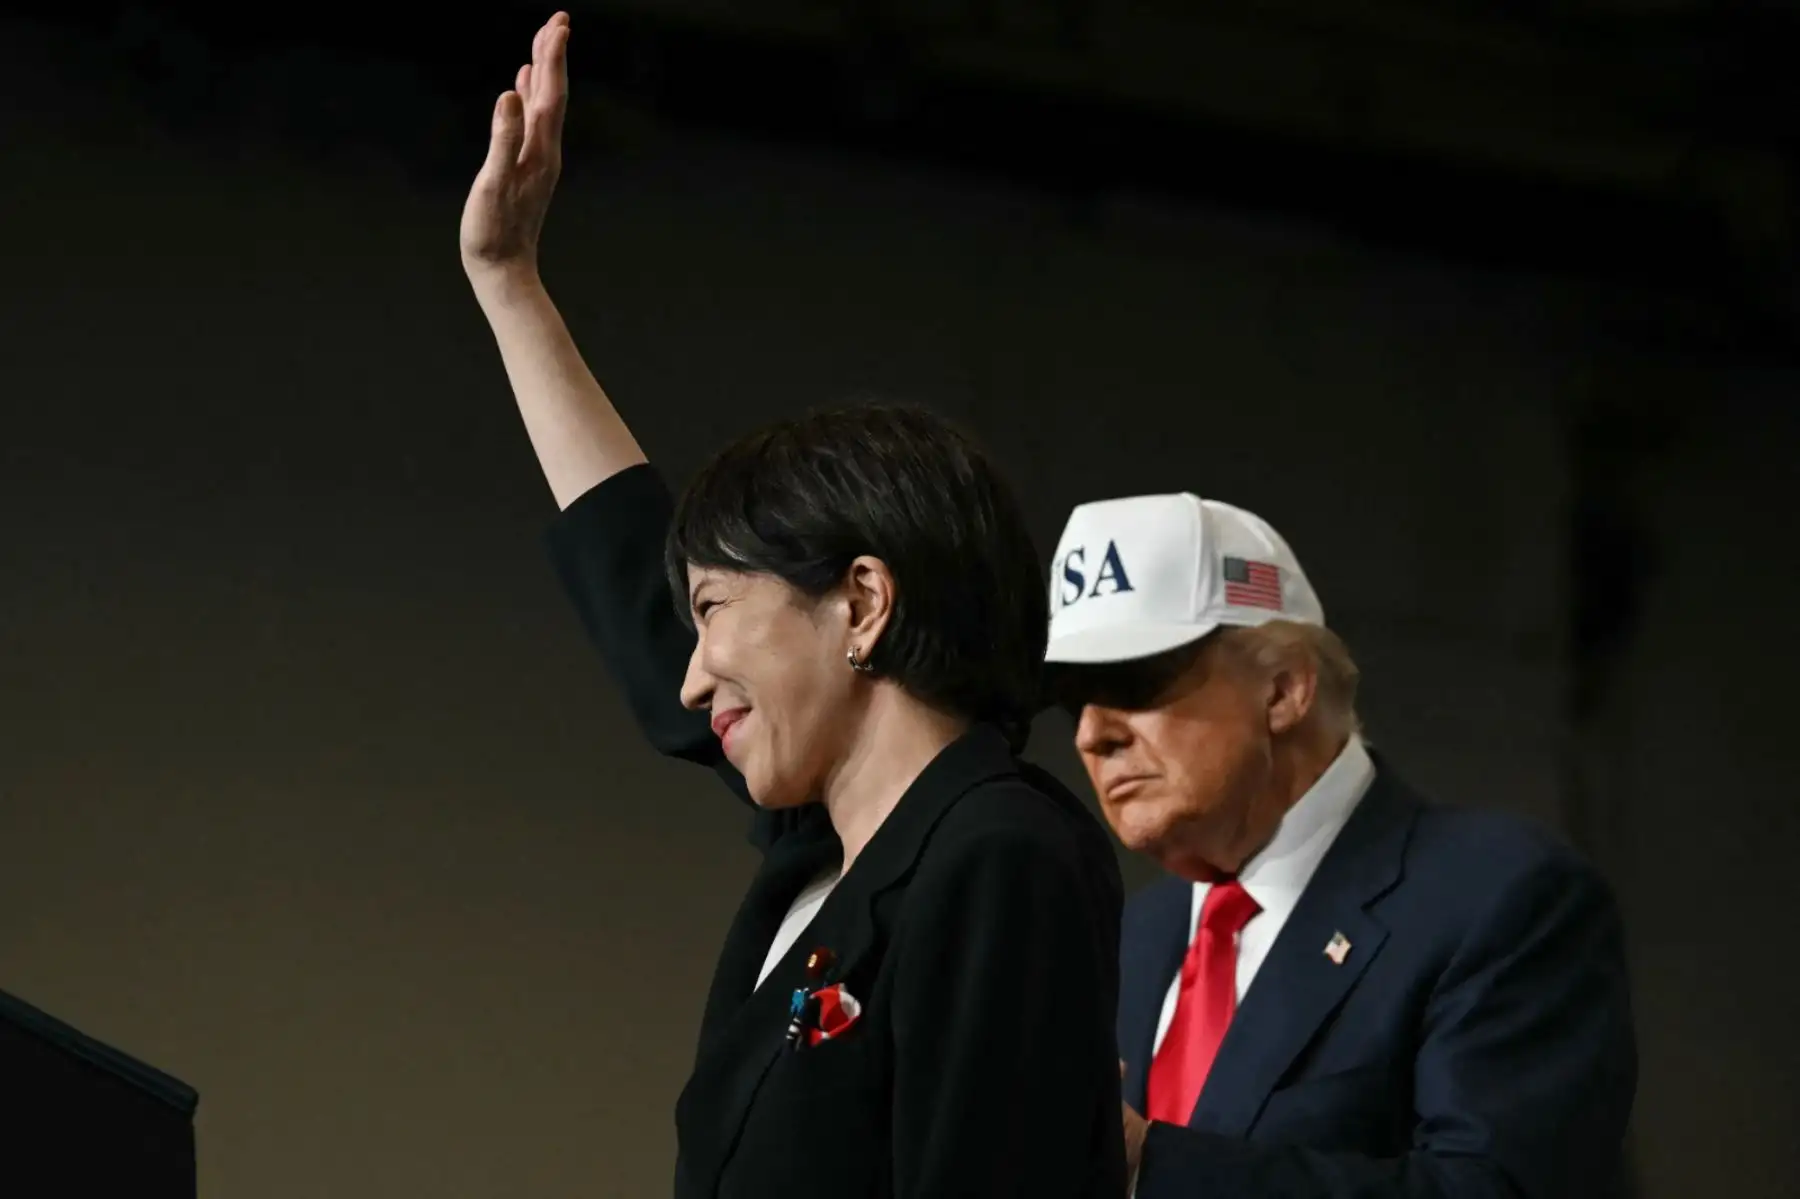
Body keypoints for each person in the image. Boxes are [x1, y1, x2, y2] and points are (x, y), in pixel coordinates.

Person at [457, 13, 1126, 1199]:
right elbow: (642, 612)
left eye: (716, 608)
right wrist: (511, 290)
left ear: (862, 600)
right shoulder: (826, 855)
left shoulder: (995, 851)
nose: (691, 670)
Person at [1042, 492, 1637, 1198]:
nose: (1091, 733)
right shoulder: (1132, 938)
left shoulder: (1502, 898)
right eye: (1075, 697)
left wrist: (1149, 1165)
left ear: (1285, 689)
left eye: (1134, 681)